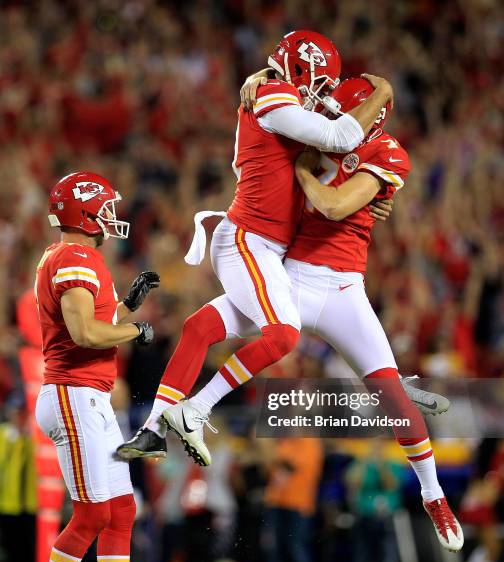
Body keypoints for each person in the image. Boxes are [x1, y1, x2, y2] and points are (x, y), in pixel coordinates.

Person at [118, 30, 394, 465]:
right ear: (302, 69)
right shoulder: (271, 93)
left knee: (200, 329)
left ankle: (152, 429)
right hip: (249, 241)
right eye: (318, 83)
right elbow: (341, 138)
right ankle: (197, 410)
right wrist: (384, 93)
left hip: (261, 247)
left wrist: (370, 198)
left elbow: (332, 166)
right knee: (284, 335)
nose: (319, 95)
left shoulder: (273, 91)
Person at [33, 172, 159, 562]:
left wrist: (128, 306)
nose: (110, 216)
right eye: (104, 207)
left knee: (121, 509)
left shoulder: (71, 256)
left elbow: (91, 318)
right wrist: (134, 331)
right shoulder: (74, 258)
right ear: (84, 212)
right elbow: (84, 332)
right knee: (92, 515)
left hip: (90, 395)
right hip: (73, 392)